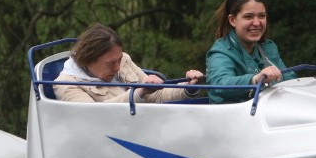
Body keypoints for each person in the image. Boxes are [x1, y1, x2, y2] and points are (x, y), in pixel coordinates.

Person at [205, 0, 316, 104]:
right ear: (233, 20)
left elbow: (290, 83)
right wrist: (255, 79)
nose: (257, 22)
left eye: (261, 16)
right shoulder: (220, 52)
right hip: (233, 123)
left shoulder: (267, 48)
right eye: (248, 17)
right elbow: (220, 84)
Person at [54, 23, 204, 103]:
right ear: (88, 61)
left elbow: (156, 96)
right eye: (110, 63)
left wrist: (187, 88)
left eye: (119, 59)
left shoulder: (123, 60)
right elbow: (94, 116)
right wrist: (138, 93)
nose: (118, 67)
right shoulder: (66, 85)